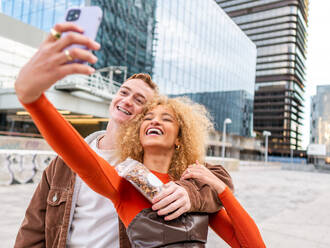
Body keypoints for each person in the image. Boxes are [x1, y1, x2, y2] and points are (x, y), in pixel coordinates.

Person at [14, 23, 233, 247]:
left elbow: (220, 179)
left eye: (139, 100)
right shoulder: (62, 165)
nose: (127, 100)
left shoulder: (152, 163)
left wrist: (190, 194)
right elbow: (32, 230)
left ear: (147, 117)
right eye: (124, 92)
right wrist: (33, 99)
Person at [17, 84, 266, 247]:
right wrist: (35, 101)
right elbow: (77, 153)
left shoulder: (192, 187)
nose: (154, 121)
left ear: (181, 137)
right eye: (147, 118)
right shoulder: (125, 184)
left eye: (166, 118)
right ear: (138, 131)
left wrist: (220, 190)